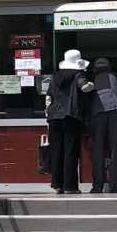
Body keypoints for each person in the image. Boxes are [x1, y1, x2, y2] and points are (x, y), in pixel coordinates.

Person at [45, 48, 94, 194]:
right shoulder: (78, 74)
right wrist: (94, 85)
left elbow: (48, 97)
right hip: (70, 117)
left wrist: (48, 113)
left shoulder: (55, 76)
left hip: (54, 118)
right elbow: (84, 87)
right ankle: (70, 186)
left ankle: (57, 185)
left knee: (56, 152)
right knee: (70, 152)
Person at [85, 58, 117, 194]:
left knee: (97, 150)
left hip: (97, 114)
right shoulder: (116, 76)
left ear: (94, 69)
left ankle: (97, 186)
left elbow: (86, 99)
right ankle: (113, 185)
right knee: (116, 150)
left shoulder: (90, 78)